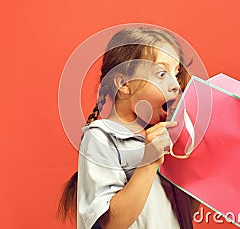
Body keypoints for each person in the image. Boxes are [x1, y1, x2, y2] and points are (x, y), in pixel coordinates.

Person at [57, 27, 200, 228]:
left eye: (176, 74)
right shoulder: (102, 138)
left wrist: (202, 171)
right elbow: (112, 224)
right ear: (124, 83)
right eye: (161, 73)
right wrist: (148, 162)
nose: (176, 85)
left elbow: (181, 216)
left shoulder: (164, 141)